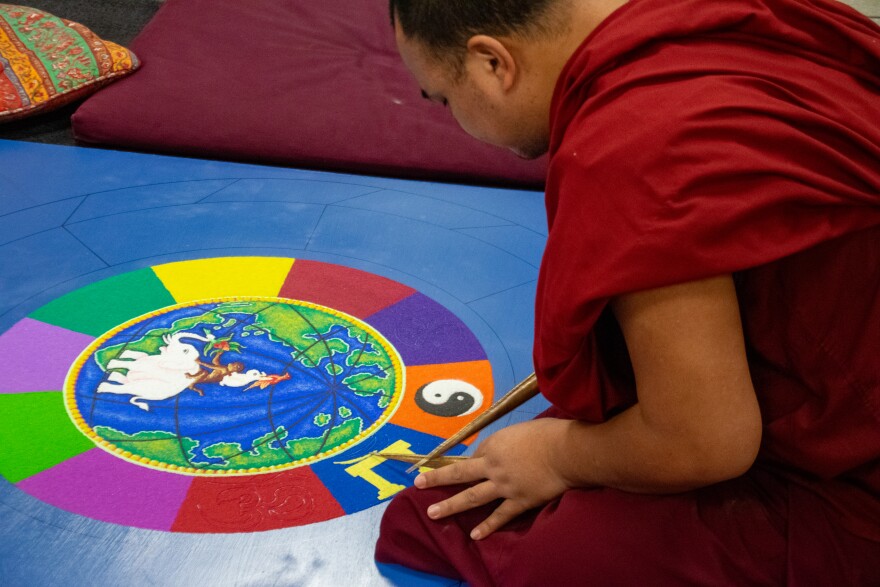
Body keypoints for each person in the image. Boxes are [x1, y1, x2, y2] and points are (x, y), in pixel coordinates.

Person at [376, 0, 880, 584]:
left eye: (442, 98)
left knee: (444, 525)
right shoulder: (736, 13)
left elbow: (707, 442)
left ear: (494, 63)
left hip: (851, 483)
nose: (452, 117)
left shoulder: (631, 147)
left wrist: (558, 456)